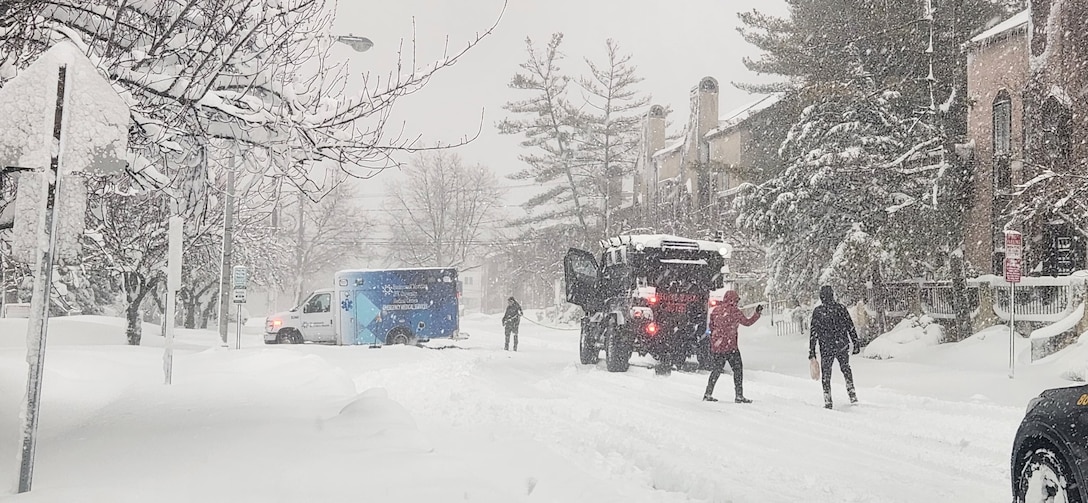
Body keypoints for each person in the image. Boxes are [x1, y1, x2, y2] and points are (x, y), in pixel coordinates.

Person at [704, 290, 762, 403]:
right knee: (738, 370)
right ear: (733, 300)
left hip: (718, 347)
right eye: (736, 301)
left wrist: (714, 342)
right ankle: (739, 395)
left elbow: (711, 327)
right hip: (731, 347)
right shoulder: (736, 312)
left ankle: (708, 393)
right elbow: (747, 323)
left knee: (716, 371)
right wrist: (757, 314)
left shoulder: (716, 311)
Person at [809, 285, 861, 409]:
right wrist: (855, 342)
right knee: (846, 368)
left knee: (826, 373)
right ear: (832, 295)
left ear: (821, 297)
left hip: (826, 347)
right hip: (841, 344)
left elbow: (813, 333)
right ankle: (851, 392)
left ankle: (828, 400)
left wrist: (812, 351)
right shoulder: (841, 309)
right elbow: (850, 326)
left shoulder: (818, 312)